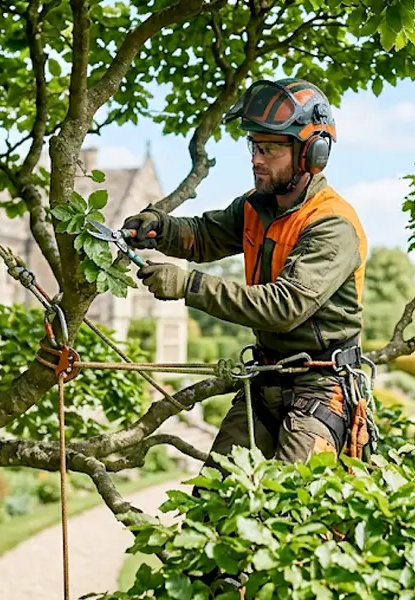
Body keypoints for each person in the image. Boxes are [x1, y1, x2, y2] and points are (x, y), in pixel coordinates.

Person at [121, 77, 373, 470]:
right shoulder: (258, 206)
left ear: (312, 154)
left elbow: (284, 306)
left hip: (321, 386)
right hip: (268, 376)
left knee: (293, 512)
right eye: (255, 146)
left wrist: (187, 286)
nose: (256, 158)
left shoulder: (332, 224)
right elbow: (204, 236)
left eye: (270, 149)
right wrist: (158, 226)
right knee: (214, 500)